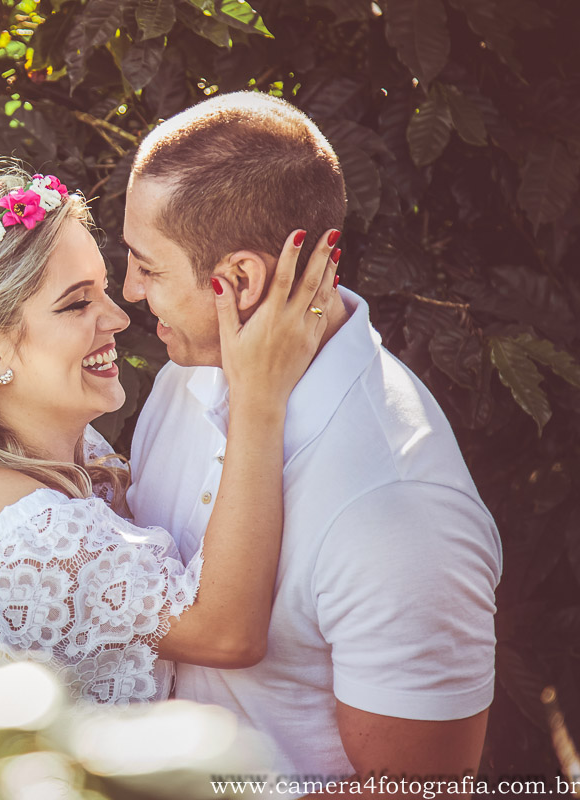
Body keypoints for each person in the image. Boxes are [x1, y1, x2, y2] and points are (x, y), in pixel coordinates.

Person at [122, 91, 502, 787]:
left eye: (148, 268)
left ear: (237, 280)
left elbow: (419, 788)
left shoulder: (397, 508)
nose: (129, 290)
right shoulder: (191, 374)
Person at [0, 166, 340, 705]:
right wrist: (258, 397)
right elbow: (226, 633)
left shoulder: (71, 455)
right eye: (76, 303)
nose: (117, 317)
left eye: (105, 290)